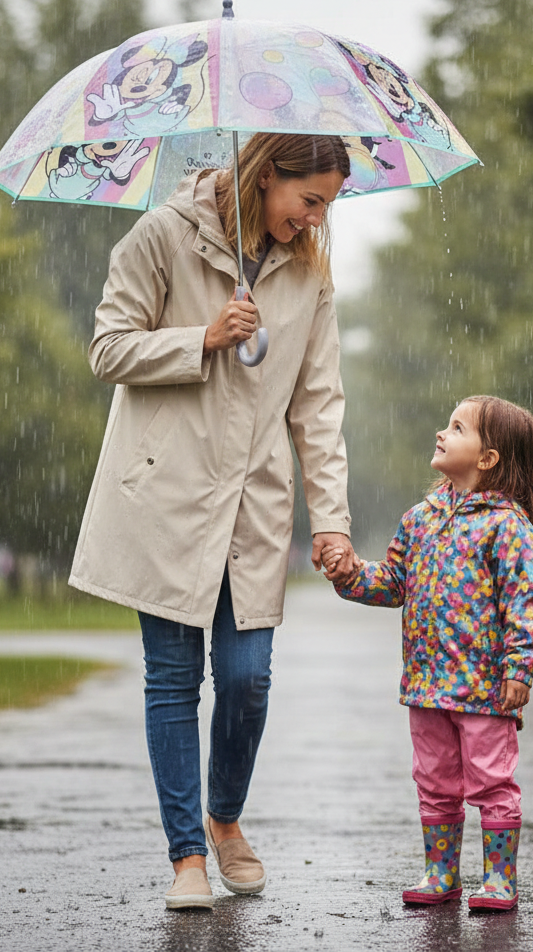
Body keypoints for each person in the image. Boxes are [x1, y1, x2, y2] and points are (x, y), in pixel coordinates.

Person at [68, 132, 359, 910]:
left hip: (255, 503)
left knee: (247, 679)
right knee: (173, 681)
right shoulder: (160, 235)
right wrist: (201, 337)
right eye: (311, 200)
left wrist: (330, 518)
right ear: (268, 176)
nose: (318, 218)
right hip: (164, 495)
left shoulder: (310, 275)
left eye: (328, 204)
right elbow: (107, 349)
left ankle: (225, 816)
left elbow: (318, 403)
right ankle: (187, 857)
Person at [322, 396, 533, 912]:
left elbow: (527, 602)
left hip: (485, 688)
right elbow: (394, 582)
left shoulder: (507, 525)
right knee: (435, 780)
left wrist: (521, 666)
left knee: (492, 780)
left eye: (457, 427)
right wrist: (351, 573)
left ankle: (498, 881)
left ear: (487, 458)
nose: (441, 433)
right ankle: (440, 873)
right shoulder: (420, 519)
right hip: (426, 684)